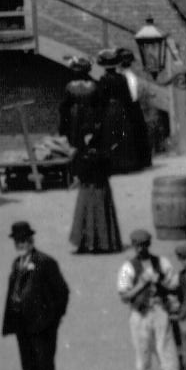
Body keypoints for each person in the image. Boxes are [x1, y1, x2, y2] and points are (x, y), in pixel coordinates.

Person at [3, 220, 72, 370]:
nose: (21, 244)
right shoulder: (17, 263)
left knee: (44, 365)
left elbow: (62, 293)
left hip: (42, 326)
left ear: (31, 240)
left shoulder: (45, 262)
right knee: (28, 364)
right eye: (17, 241)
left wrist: (53, 321)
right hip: (22, 324)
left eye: (24, 240)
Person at [115, 229, 180, 370]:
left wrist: (161, 283)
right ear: (133, 246)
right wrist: (141, 283)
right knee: (143, 360)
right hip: (139, 314)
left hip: (159, 310)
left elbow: (174, 284)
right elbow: (124, 295)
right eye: (137, 245)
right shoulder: (128, 267)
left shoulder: (161, 262)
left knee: (168, 355)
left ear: (148, 245)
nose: (140, 248)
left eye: (143, 245)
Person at [63, 75, 123, 254]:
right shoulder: (79, 113)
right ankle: (88, 242)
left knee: (94, 202)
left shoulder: (102, 114)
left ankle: (102, 243)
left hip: (97, 164)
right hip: (88, 165)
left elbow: (108, 140)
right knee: (87, 204)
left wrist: (93, 144)